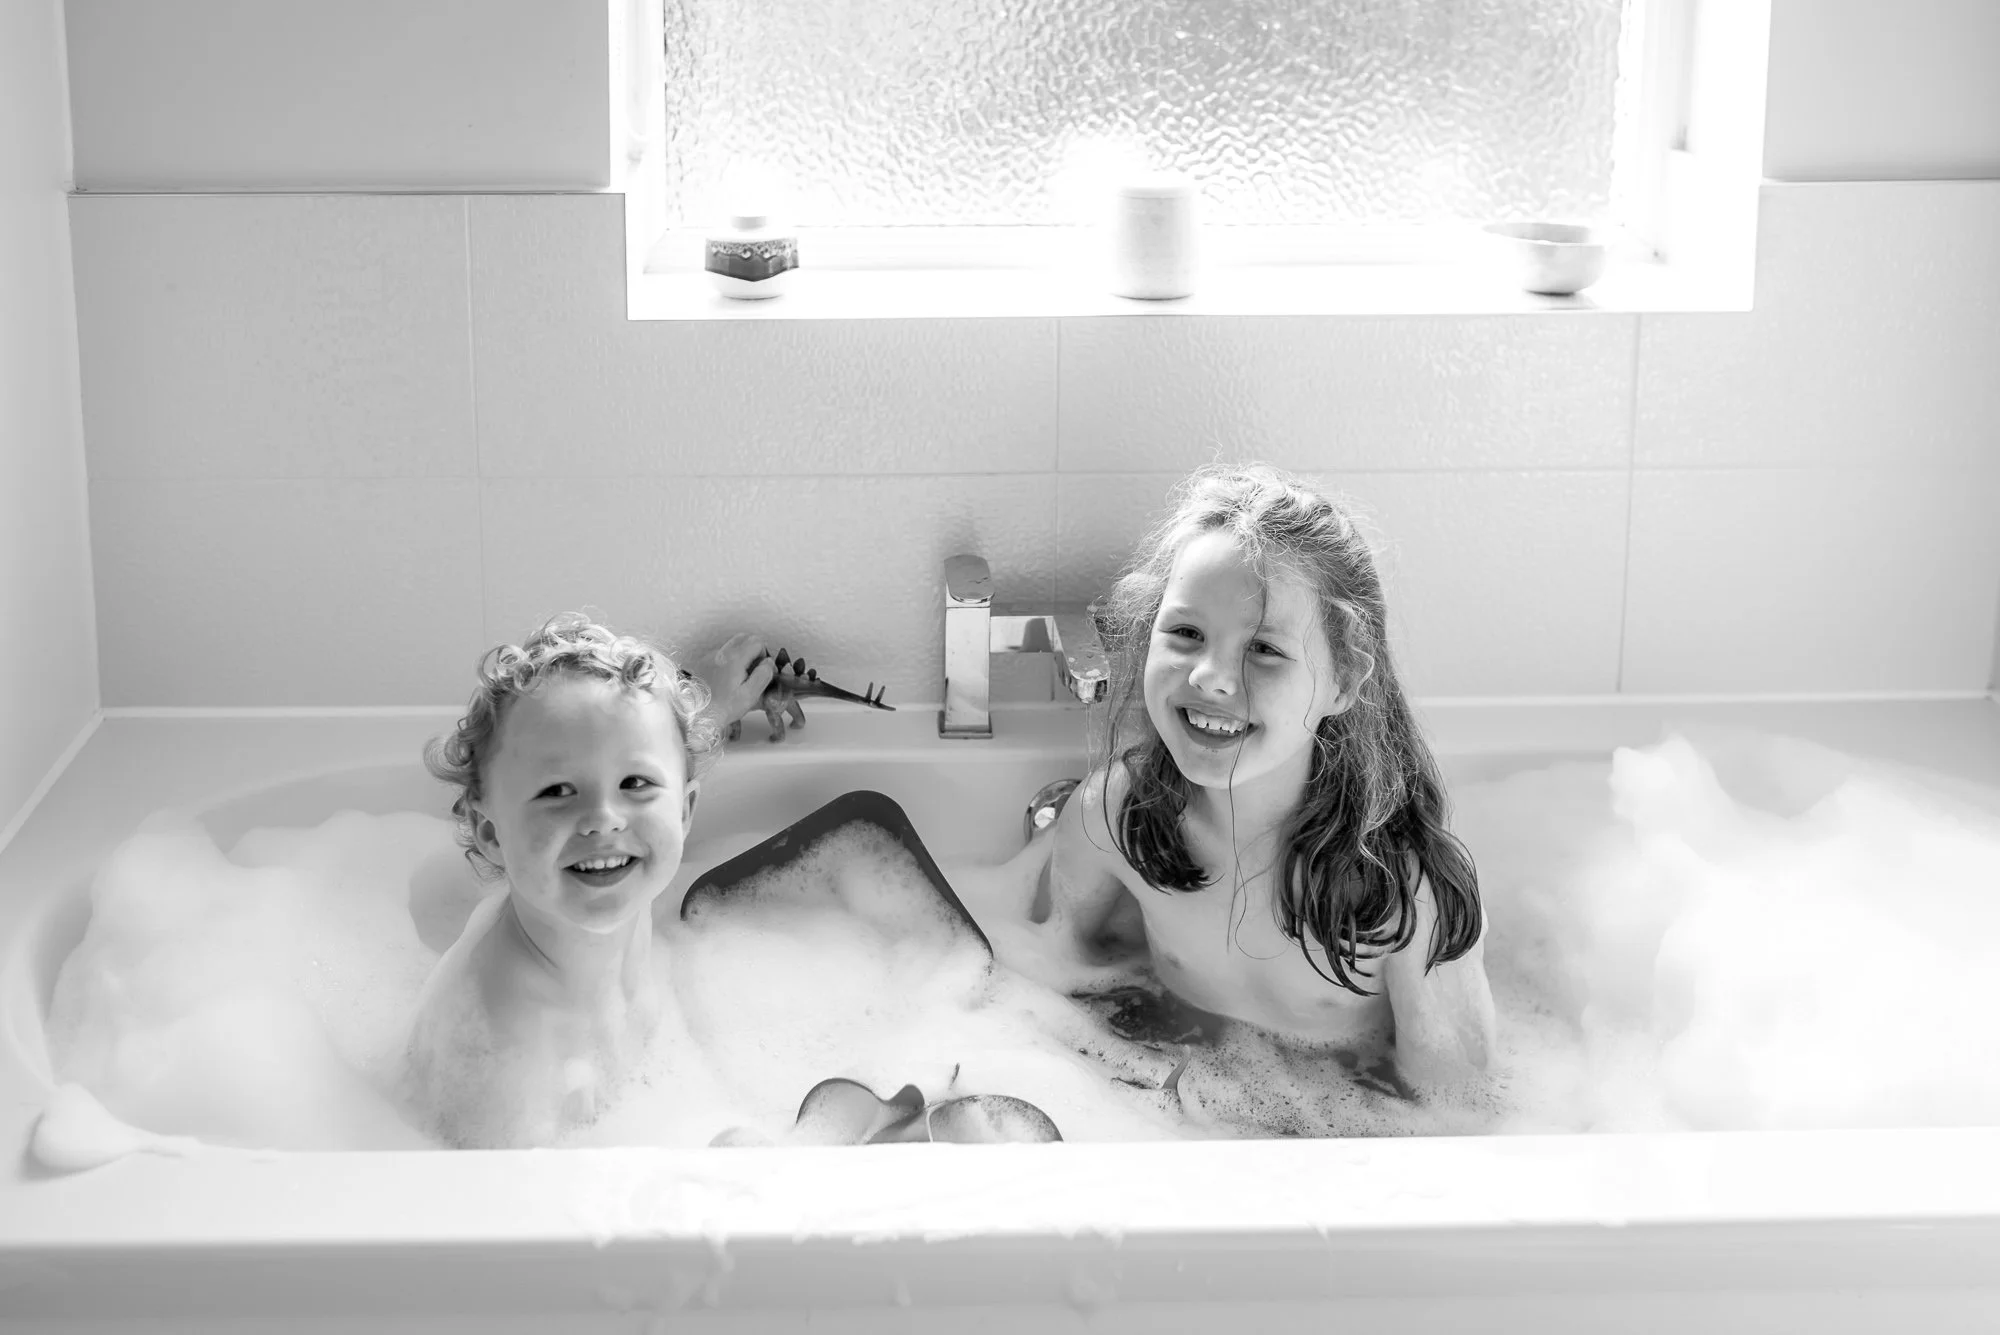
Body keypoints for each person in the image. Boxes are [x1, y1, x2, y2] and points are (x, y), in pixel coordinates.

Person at [1038, 464, 1495, 1091]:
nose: (1211, 677)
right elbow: (1045, 983)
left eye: (1264, 649)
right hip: (1171, 1106)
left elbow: (1458, 1110)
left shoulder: (1405, 891)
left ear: (1345, 680)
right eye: (1186, 633)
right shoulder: (1111, 818)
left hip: (1349, 1131)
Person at [404, 614, 767, 1148]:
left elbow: (622, 741)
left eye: (636, 783)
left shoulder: (600, 884)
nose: (604, 818)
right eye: (557, 791)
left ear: (685, 810)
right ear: (489, 830)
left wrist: (711, 703)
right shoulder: (501, 1055)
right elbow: (512, 1216)